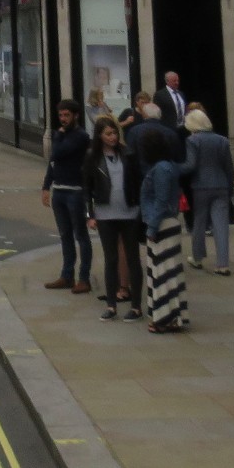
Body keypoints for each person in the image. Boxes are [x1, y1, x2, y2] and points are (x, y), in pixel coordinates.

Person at [84, 116, 143, 321]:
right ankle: (111, 305)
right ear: (99, 136)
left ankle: (136, 307)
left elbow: (138, 181)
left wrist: (139, 207)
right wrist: (90, 215)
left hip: (129, 212)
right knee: (111, 260)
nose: (113, 137)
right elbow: (87, 188)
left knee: (133, 258)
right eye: (108, 133)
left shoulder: (128, 154)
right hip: (105, 214)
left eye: (115, 133)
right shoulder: (92, 156)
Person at [42, 99, 94, 295]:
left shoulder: (80, 136)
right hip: (60, 191)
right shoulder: (60, 135)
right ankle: (66, 275)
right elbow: (53, 161)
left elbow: (57, 151)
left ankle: (84, 278)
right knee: (65, 235)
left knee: (81, 235)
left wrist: (58, 138)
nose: (63, 119)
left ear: (75, 116)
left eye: (66, 115)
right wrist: (46, 187)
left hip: (76, 192)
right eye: (61, 115)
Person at [139, 128, 188, 334]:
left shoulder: (160, 169)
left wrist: (151, 227)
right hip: (169, 221)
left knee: (161, 272)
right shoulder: (169, 166)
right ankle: (173, 316)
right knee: (169, 272)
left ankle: (163, 318)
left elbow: (160, 200)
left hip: (162, 224)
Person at [181, 108, 234, 276]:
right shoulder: (222, 140)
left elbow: (190, 165)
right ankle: (223, 264)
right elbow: (229, 167)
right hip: (221, 185)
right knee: (221, 226)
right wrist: (230, 186)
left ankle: (197, 258)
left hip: (200, 186)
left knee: (199, 223)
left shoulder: (192, 140)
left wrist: (175, 169)